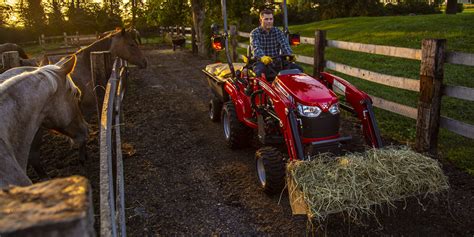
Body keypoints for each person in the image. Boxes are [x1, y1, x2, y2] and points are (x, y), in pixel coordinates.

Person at [250, 9, 303, 78]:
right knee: (259, 72)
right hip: (261, 62)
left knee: (298, 69)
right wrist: (262, 57)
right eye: (266, 19)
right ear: (260, 21)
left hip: (277, 62)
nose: (269, 21)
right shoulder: (254, 33)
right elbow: (256, 48)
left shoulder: (278, 31)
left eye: (271, 19)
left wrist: (289, 55)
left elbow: (284, 45)